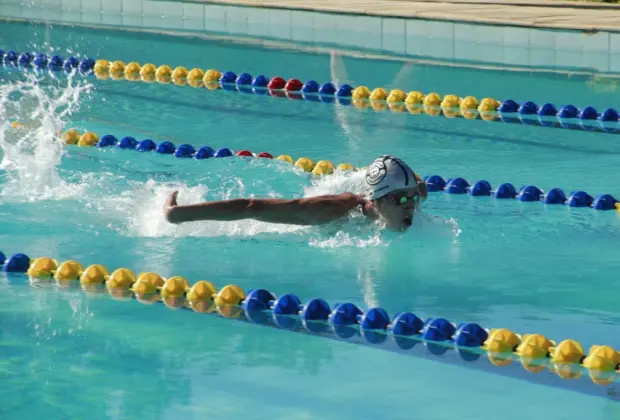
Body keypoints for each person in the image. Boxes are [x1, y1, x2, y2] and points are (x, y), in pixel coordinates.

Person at [163, 155, 428, 232]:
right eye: (401, 199)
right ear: (377, 201)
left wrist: (412, 190)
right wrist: (179, 214)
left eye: (413, 197)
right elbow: (252, 207)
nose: (411, 206)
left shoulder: (416, 194)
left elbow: (414, 185)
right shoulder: (332, 210)